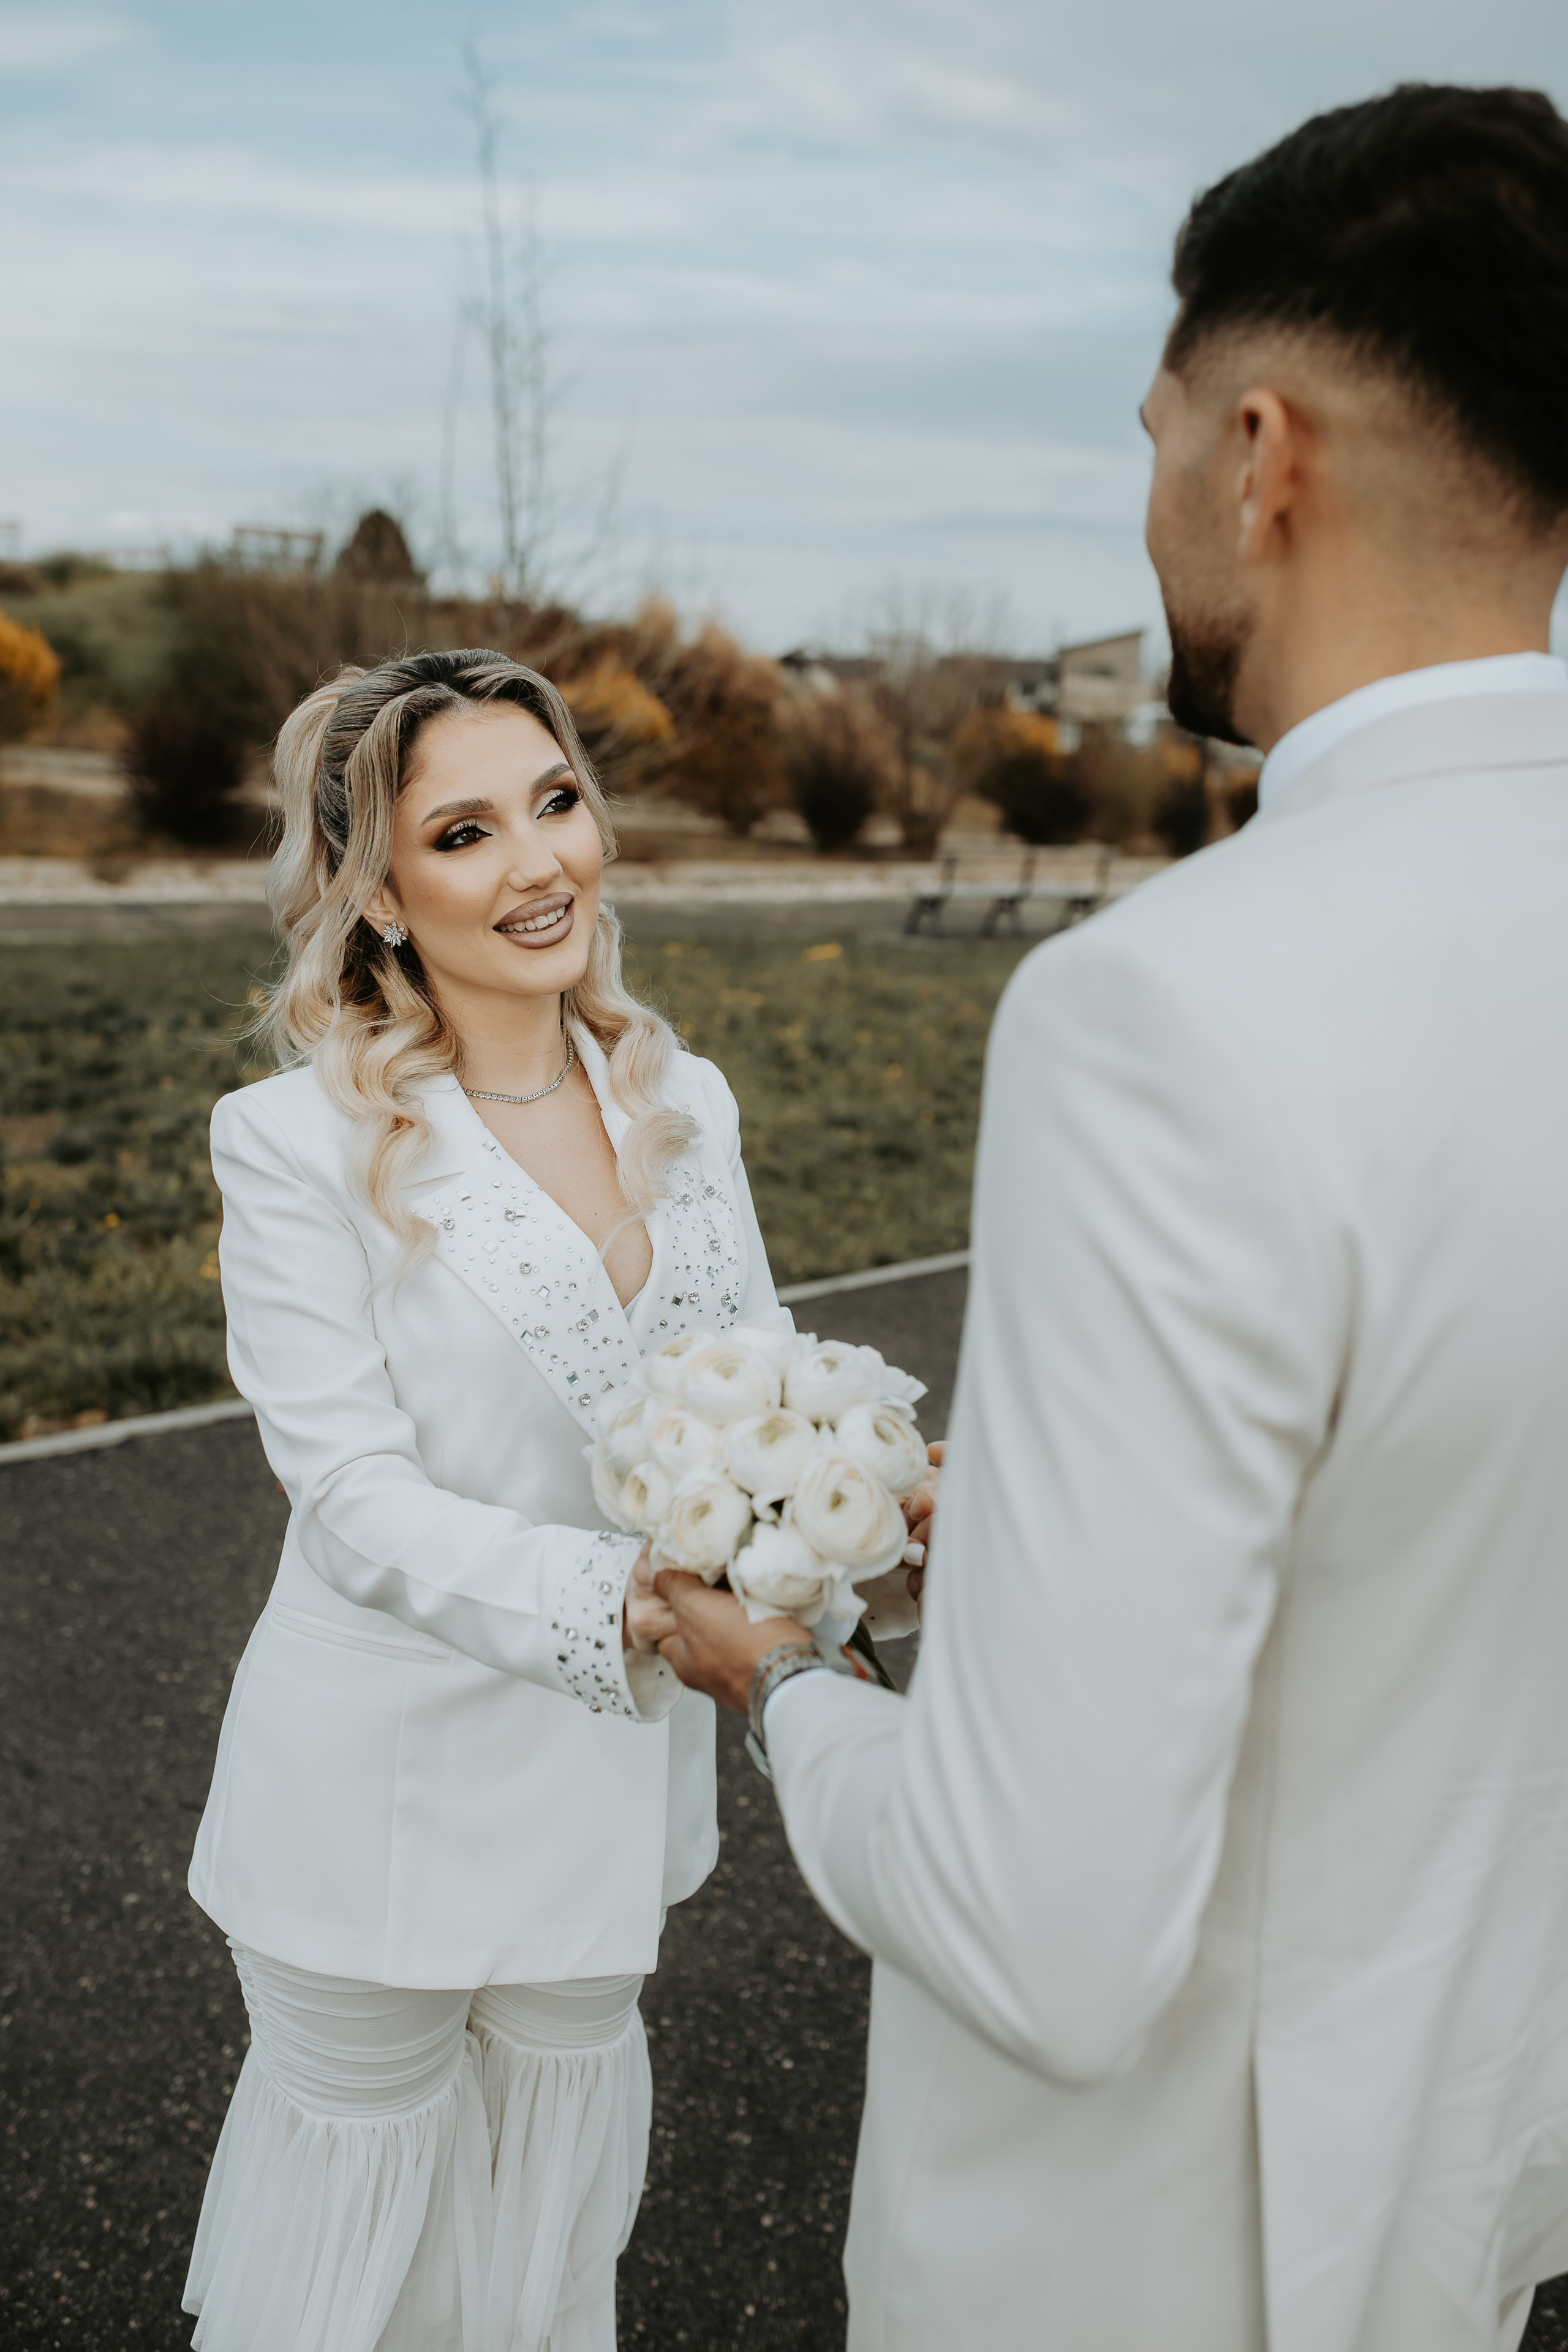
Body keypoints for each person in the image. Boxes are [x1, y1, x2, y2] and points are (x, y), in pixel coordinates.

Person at [652, 83, 1568, 2352]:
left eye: (1150, 441)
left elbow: (1043, 1938)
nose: (1148, 507)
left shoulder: (1162, 1013)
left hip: (1152, 2263)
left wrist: (787, 1689)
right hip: (1457, 2201)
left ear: (1261, 453)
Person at [182, 648, 786, 2352]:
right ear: (375, 887)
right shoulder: (290, 1142)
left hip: (608, 1786)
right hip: (375, 1796)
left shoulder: (684, 1100)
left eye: (557, 800)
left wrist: (867, 1505)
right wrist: (623, 1607)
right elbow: (353, 1500)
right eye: (465, 832)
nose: (540, 864)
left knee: (543, 2250)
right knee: (361, 2260)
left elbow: (754, 1388)